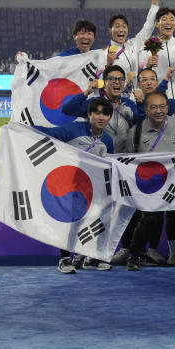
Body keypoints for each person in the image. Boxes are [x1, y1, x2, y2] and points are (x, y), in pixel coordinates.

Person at [124, 92, 175, 271]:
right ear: (146, 109)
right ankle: (134, 256)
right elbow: (129, 160)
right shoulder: (135, 132)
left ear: (167, 108)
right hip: (150, 185)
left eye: (162, 107)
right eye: (153, 107)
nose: (158, 111)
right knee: (149, 220)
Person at [39, 98, 115, 273]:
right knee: (72, 222)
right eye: (97, 113)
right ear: (89, 114)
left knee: (96, 220)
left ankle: (89, 257)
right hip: (71, 185)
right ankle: (65, 259)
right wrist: (21, 129)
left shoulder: (108, 141)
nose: (101, 117)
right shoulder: (74, 129)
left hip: (94, 188)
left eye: (105, 113)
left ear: (109, 117)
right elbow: (48, 133)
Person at [60, 65, 137, 145]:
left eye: (121, 79)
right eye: (112, 79)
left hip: (123, 156)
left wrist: (141, 103)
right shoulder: (94, 103)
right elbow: (67, 110)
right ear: (104, 83)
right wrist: (87, 91)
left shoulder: (129, 104)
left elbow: (144, 121)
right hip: (97, 155)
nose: (117, 82)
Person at [105, 0, 162, 78]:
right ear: (110, 30)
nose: (121, 29)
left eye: (124, 26)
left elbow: (149, 25)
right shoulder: (104, 53)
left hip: (135, 93)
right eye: (117, 26)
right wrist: (109, 65)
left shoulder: (133, 44)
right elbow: (100, 81)